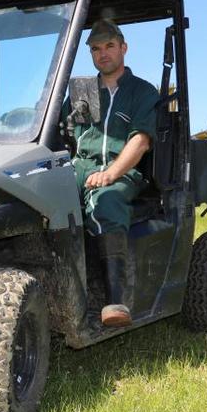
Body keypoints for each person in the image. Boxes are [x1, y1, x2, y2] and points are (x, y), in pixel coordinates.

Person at [65, 18, 158, 327]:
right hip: (81, 165)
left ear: (123, 48)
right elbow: (61, 129)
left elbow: (141, 141)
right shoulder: (83, 90)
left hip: (125, 169)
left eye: (109, 47)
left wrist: (112, 173)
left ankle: (114, 301)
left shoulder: (141, 92)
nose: (102, 54)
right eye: (95, 49)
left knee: (106, 201)